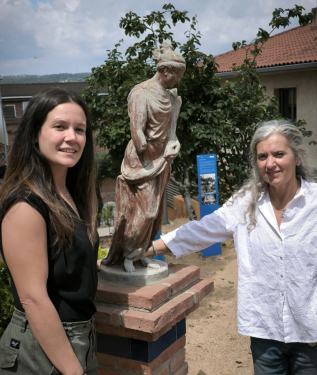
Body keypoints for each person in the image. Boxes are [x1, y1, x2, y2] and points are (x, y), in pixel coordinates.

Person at [145, 120, 317, 374]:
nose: (270, 163)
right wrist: (146, 249)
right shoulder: (245, 203)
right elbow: (200, 231)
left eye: (279, 154)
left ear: (297, 156)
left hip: (310, 333)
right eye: (263, 156)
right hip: (265, 332)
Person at [0, 88, 102, 375]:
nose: (72, 137)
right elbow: (32, 298)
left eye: (79, 129)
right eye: (60, 127)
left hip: (80, 336)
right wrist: (73, 370)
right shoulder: (26, 205)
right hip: (42, 347)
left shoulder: (72, 195)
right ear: (35, 134)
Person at [103, 43, 186, 272]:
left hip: (162, 158)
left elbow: (171, 129)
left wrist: (173, 143)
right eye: (177, 75)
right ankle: (127, 254)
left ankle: (140, 253)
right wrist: (154, 153)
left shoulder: (169, 96)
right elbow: (137, 134)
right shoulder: (141, 93)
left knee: (156, 211)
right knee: (144, 210)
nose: (178, 80)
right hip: (142, 161)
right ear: (166, 71)